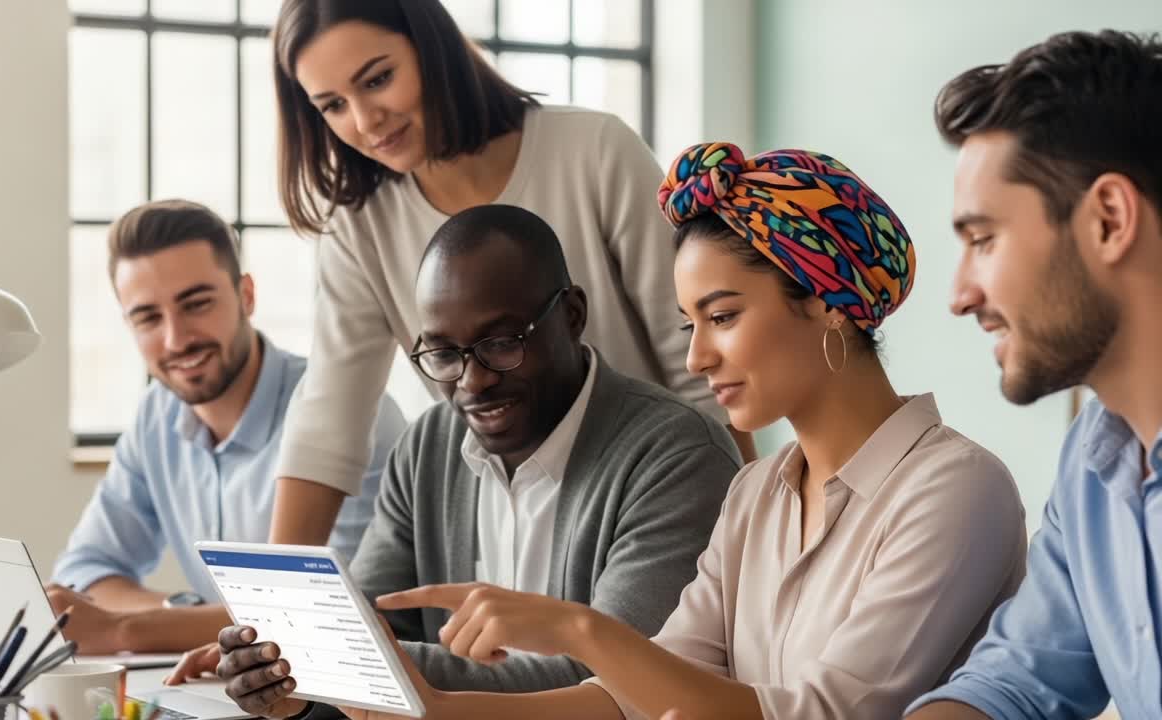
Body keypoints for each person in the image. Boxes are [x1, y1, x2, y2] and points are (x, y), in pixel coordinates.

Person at [216, 143, 1030, 720]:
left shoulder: (954, 490)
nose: (697, 353)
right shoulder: (757, 493)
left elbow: (819, 714)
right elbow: (639, 697)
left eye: (723, 316)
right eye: (689, 321)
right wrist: (424, 704)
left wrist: (572, 627)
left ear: (823, 301)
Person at [195, 204, 743, 718]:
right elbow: (370, 620)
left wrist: (337, 664)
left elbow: (614, 680)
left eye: (502, 343)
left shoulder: (677, 455)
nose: (473, 381)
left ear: (572, 315)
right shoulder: (428, 445)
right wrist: (290, 684)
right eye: (443, 354)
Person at [261, 0, 756, 550]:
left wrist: (745, 545)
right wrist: (264, 603)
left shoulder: (593, 151)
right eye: (331, 105)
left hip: (657, 500)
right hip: (510, 520)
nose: (364, 119)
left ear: (434, 50)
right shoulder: (359, 227)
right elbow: (330, 417)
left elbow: (698, 361)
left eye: (377, 79)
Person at [906, 30, 1162, 720]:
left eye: (984, 240)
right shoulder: (1094, 463)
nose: (960, 294)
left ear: (1109, 219)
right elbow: (1014, 686)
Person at [47, 199, 406, 654]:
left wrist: (127, 629)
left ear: (247, 296)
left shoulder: (349, 412)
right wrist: (186, 610)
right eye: (148, 318)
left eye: (196, 304)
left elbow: (333, 613)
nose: (176, 339)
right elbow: (85, 569)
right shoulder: (155, 418)